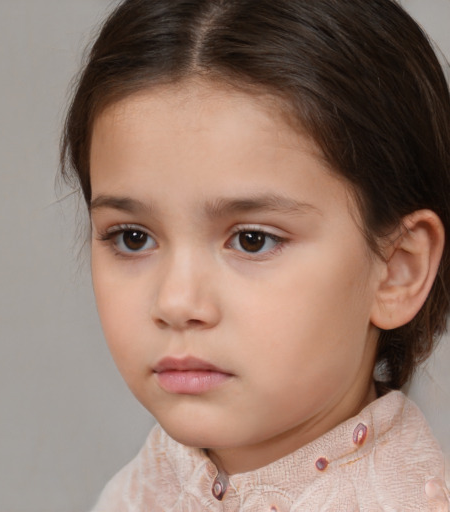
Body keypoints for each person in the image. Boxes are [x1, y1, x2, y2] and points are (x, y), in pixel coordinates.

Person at [60, 0, 450, 509]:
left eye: (252, 240)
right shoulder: (136, 493)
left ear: (398, 269)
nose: (177, 302)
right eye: (133, 237)